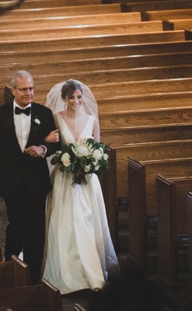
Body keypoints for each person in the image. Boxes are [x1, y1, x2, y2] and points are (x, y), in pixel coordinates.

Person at [41, 79, 119, 294]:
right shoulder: (57, 119)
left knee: (87, 220)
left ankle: (92, 270)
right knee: (66, 221)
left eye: (78, 97)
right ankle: (67, 270)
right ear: (64, 99)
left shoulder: (92, 120)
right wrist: (56, 150)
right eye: (71, 97)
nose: (76, 101)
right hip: (65, 178)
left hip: (86, 180)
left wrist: (91, 163)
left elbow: (99, 149)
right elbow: (52, 148)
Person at [0, 70, 58, 284]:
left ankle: (33, 276)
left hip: (37, 181)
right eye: (23, 89)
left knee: (36, 229)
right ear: (13, 91)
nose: (29, 93)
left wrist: (43, 148)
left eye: (31, 88)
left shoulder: (44, 113)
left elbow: (56, 143)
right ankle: (11, 270)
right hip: (11, 180)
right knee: (16, 226)